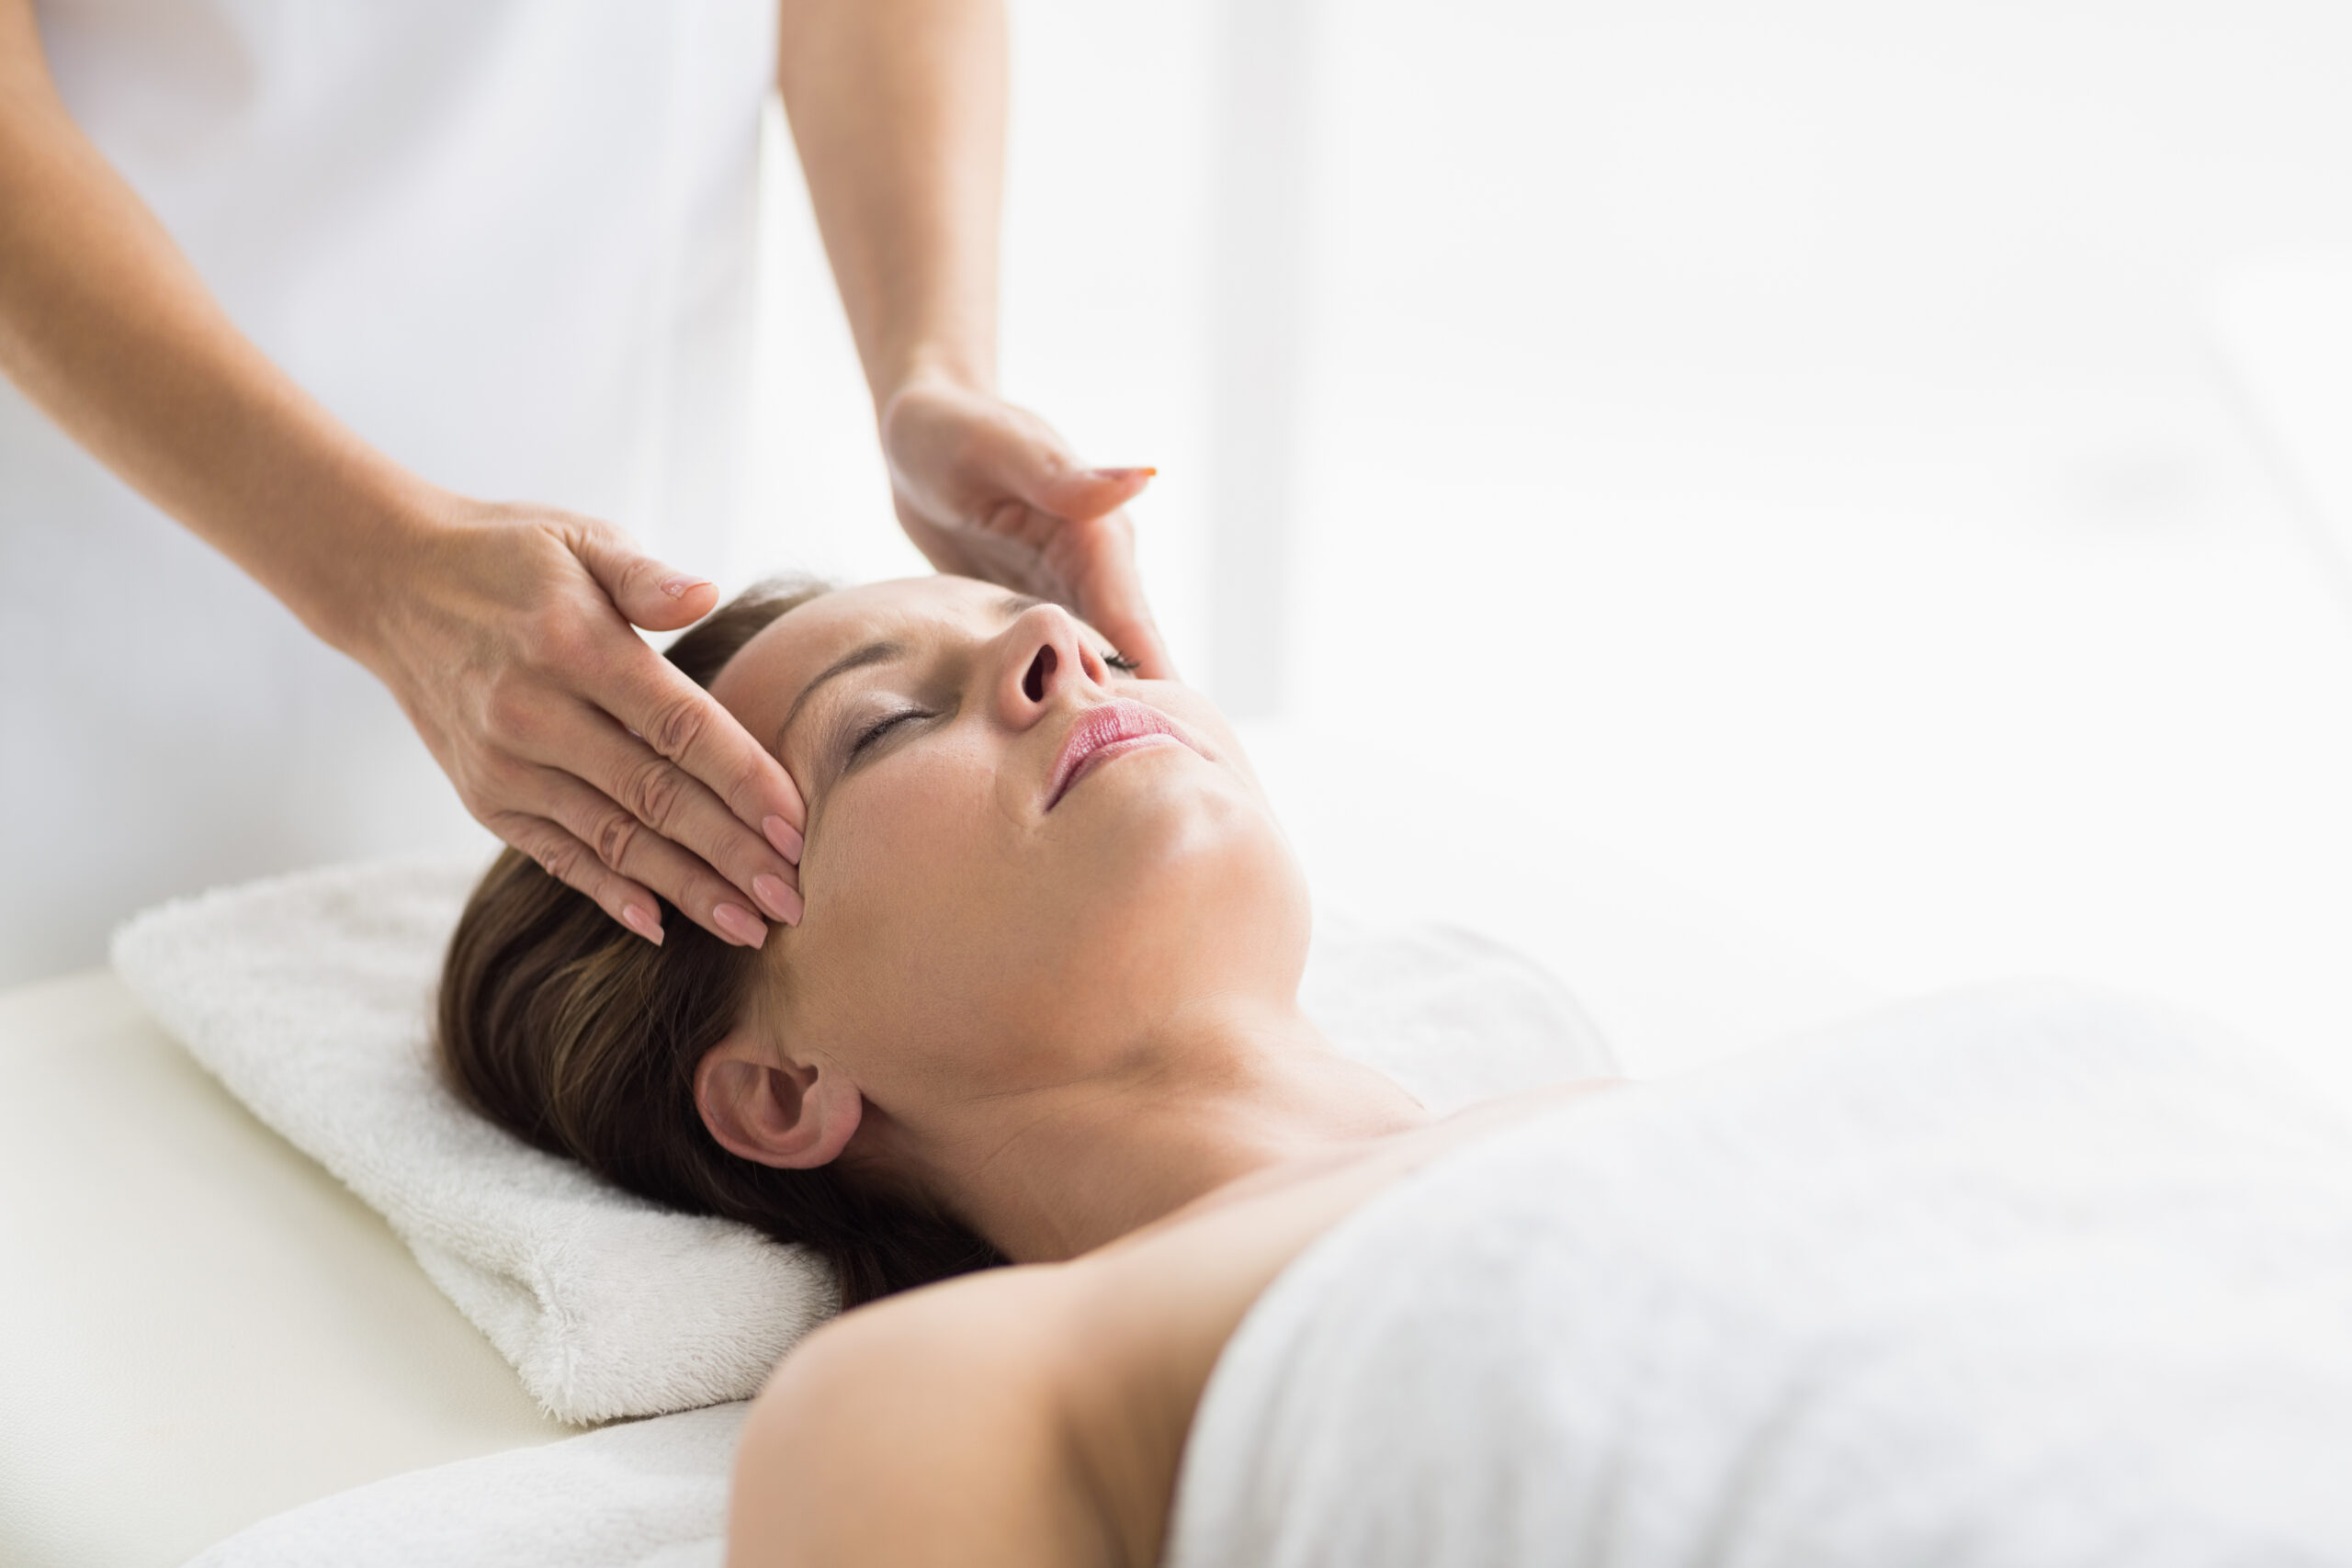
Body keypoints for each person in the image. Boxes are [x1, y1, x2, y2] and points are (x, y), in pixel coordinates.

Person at [438, 571, 1620, 1559]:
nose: (1059, 641)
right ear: (782, 1088)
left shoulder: (1623, 1119)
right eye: (887, 721)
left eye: (1106, 641)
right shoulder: (948, 1408)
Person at [0, 0, 1169, 987]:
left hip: (623, 574)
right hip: (120, 570)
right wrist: (368, 568)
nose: (1053, 648)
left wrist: (932, 366)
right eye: (886, 726)